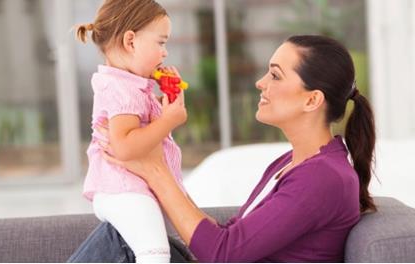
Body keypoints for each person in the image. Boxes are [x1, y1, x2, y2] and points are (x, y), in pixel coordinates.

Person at [68, 35, 377, 262]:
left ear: (312, 100)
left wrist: (155, 169)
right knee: (125, 233)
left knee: (121, 242)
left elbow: (222, 253)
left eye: (275, 75)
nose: (260, 82)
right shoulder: (294, 163)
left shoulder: (323, 178)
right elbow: (231, 237)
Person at [74, 0, 188, 262]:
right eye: (161, 42)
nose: (165, 53)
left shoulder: (130, 86)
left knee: (169, 244)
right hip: (124, 190)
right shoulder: (121, 89)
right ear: (131, 42)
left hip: (129, 190)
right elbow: (125, 147)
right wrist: (168, 121)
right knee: (155, 254)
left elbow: (139, 131)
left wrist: (163, 106)